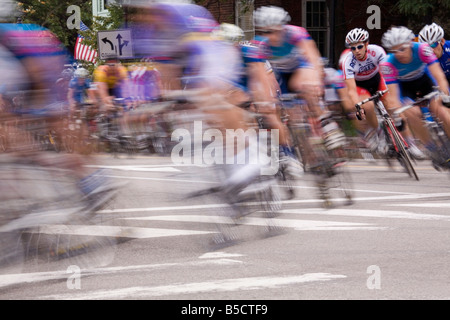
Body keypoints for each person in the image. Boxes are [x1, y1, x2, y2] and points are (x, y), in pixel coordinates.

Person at [252, 5, 346, 152]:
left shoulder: (295, 33)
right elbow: (262, 75)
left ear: (282, 27)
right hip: (282, 73)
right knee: (293, 116)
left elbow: (313, 57)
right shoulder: (260, 44)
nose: (269, 36)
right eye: (264, 32)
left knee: (304, 85)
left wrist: (317, 81)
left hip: (302, 66)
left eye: (272, 31)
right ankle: (310, 154)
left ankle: (327, 124)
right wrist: (267, 99)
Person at [341, 28, 425, 159]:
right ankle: (378, 132)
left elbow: (387, 72)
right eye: (353, 48)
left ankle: (411, 143)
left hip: (378, 80)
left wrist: (390, 95)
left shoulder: (377, 51)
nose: (356, 51)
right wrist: (357, 104)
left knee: (393, 106)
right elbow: (351, 90)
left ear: (366, 44)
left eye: (359, 46)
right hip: (361, 86)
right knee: (367, 106)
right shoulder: (348, 62)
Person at [380, 26, 450, 166]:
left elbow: (439, 76)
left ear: (411, 43)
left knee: (441, 109)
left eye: (402, 49)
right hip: (404, 88)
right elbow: (393, 95)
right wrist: (398, 115)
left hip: (425, 81)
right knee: (411, 113)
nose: (398, 54)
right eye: (394, 51)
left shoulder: (422, 49)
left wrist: (445, 95)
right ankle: (432, 149)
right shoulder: (388, 64)